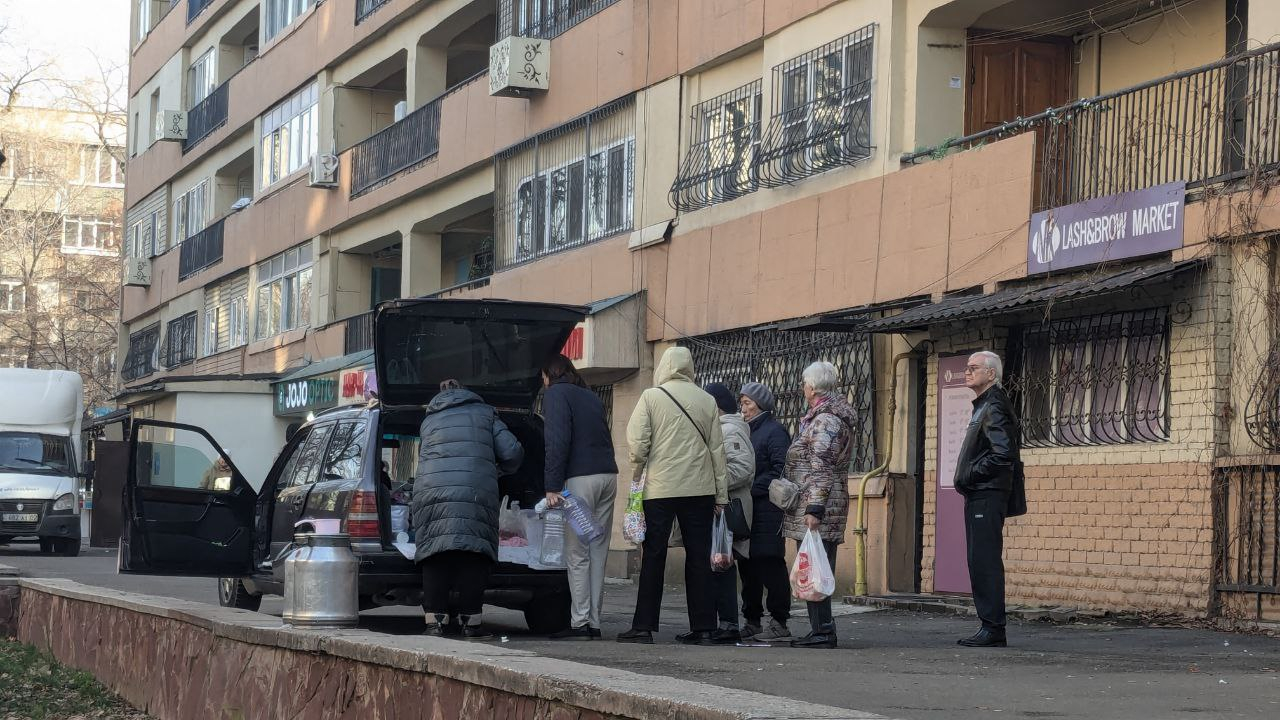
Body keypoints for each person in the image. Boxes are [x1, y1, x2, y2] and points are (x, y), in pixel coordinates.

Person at [618, 346, 728, 645]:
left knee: (653, 554)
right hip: (700, 489)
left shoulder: (651, 397)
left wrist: (638, 470)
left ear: (664, 366)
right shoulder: (707, 400)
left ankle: (643, 627)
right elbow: (717, 450)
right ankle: (704, 627)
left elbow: (638, 443)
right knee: (698, 556)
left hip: (660, 489)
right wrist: (721, 495)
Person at [413, 379, 524, 639]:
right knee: (473, 553)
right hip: (475, 490)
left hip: (431, 490)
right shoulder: (486, 413)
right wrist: (499, 471)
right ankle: (471, 624)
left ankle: (435, 623)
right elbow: (512, 451)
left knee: (434, 552)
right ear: (468, 391)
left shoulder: (428, 420)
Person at [540, 354, 618, 640]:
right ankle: (594, 623)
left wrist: (552, 486)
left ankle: (579, 623)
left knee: (577, 553)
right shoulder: (590, 396)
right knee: (598, 550)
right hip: (608, 476)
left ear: (549, 375)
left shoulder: (556, 395)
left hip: (580, 482)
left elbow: (557, 441)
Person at [782, 361, 856, 649]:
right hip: (825, 500)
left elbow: (822, 467)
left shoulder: (825, 420)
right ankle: (819, 630)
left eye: (803, 384)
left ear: (812, 387)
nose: (802, 388)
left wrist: (815, 509)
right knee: (814, 566)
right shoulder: (823, 416)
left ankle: (824, 630)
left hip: (821, 504)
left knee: (817, 567)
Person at [953, 350, 1019, 648]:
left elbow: (1002, 454)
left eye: (973, 367)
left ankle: (993, 628)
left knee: (984, 560)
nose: (967, 371)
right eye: (966, 367)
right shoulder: (984, 405)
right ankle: (989, 625)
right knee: (978, 559)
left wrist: (969, 474)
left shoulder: (994, 405)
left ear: (991, 374)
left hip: (987, 492)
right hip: (982, 491)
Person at [737, 382, 793, 642]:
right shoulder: (745, 431)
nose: (743, 408)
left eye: (747, 403)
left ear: (760, 405)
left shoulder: (774, 431)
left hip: (767, 509)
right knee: (747, 566)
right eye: (742, 403)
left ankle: (779, 620)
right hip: (748, 508)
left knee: (769, 562)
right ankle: (752, 619)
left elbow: (781, 470)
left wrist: (751, 485)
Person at [703, 382, 755, 644]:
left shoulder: (730, 430)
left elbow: (743, 468)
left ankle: (728, 625)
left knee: (723, 564)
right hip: (724, 506)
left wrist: (713, 486)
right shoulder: (722, 428)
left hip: (729, 508)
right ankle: (721, 624)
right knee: (718, 563)